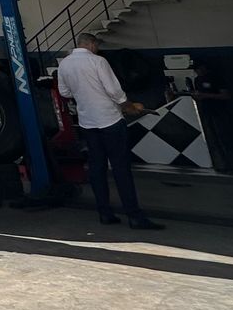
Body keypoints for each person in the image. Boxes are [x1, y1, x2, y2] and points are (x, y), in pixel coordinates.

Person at [56, 34, 162, 229]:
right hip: (109, 120)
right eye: (96, 45)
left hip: (88, 122)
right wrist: (128, 106)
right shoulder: (98, 61)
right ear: (91, 44)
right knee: (121, 168)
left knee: (97, 168)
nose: (97, 49)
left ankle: (105, 213)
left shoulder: (64, 64)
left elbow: (64, 92)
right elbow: (114, 91)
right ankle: (134, 216)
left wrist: (84, 94)